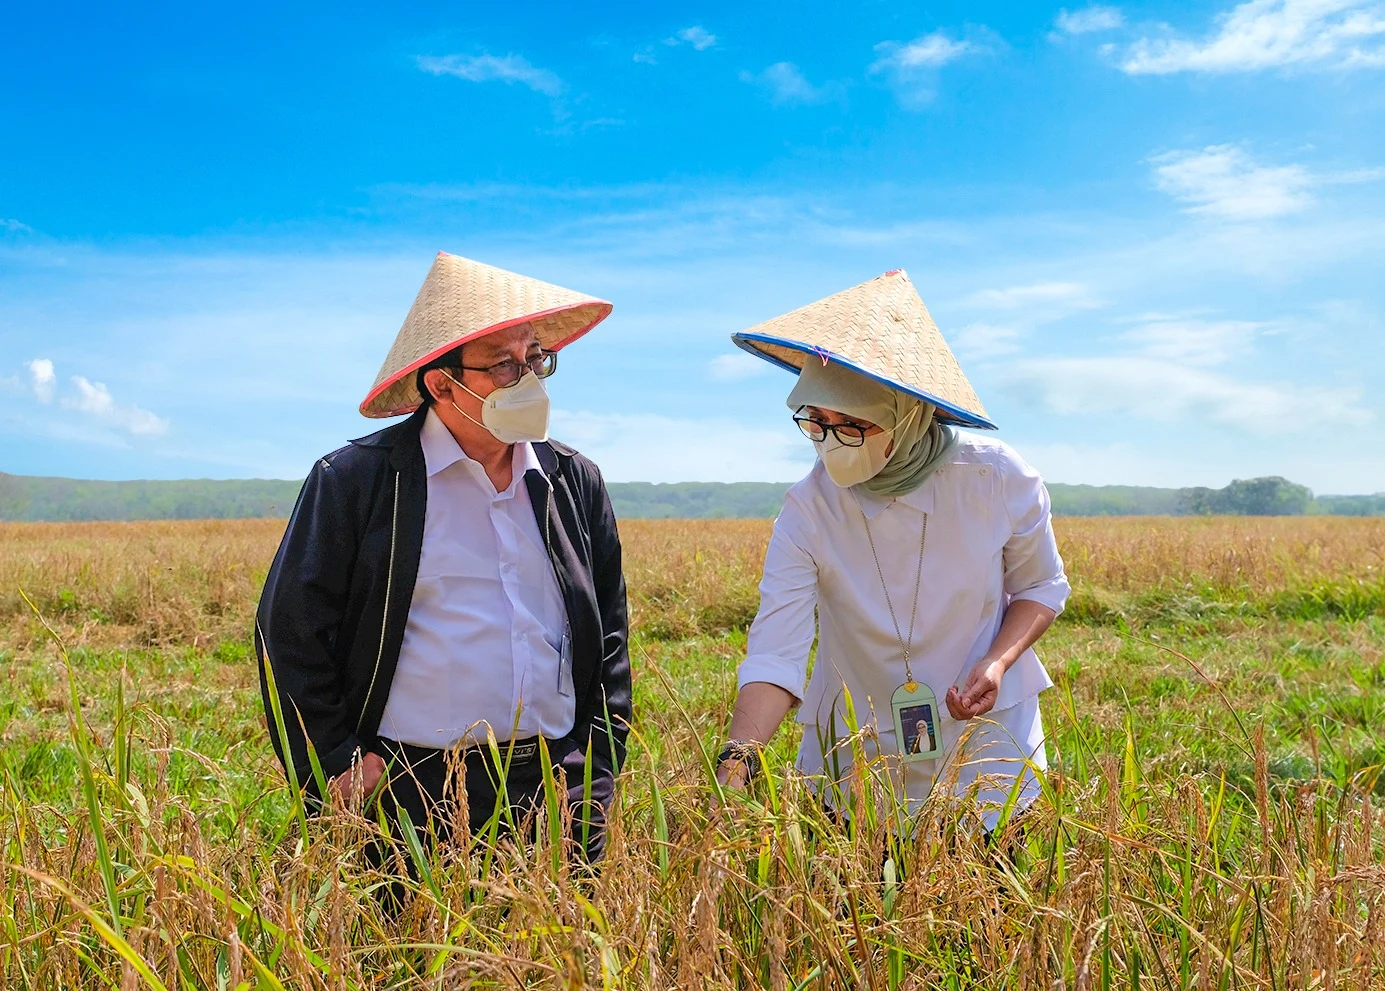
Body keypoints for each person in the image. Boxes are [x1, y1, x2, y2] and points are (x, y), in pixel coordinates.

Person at [255, 251, 631, 861]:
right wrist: (336, 763)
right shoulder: (360, 482)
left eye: (536, 358)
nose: (528, 380)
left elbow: (608, 636)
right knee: (402, 955)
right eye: (504, 366)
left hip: (552, 786)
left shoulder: (572, 482)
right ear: (441, 383)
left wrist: (593, 769)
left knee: (549, 957)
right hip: (407, 788)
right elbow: (288, 633)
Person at [716, 269, 1069, 830]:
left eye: (852, 425)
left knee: (987, 906)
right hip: (857, 750)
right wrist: (740, 756)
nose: (831, 442)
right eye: (817, 422)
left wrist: (998, 662)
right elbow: (777, 650)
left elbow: (1040, 587)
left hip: (985, 748)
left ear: (907, 414)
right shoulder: (810, 507)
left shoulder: (997, 478)